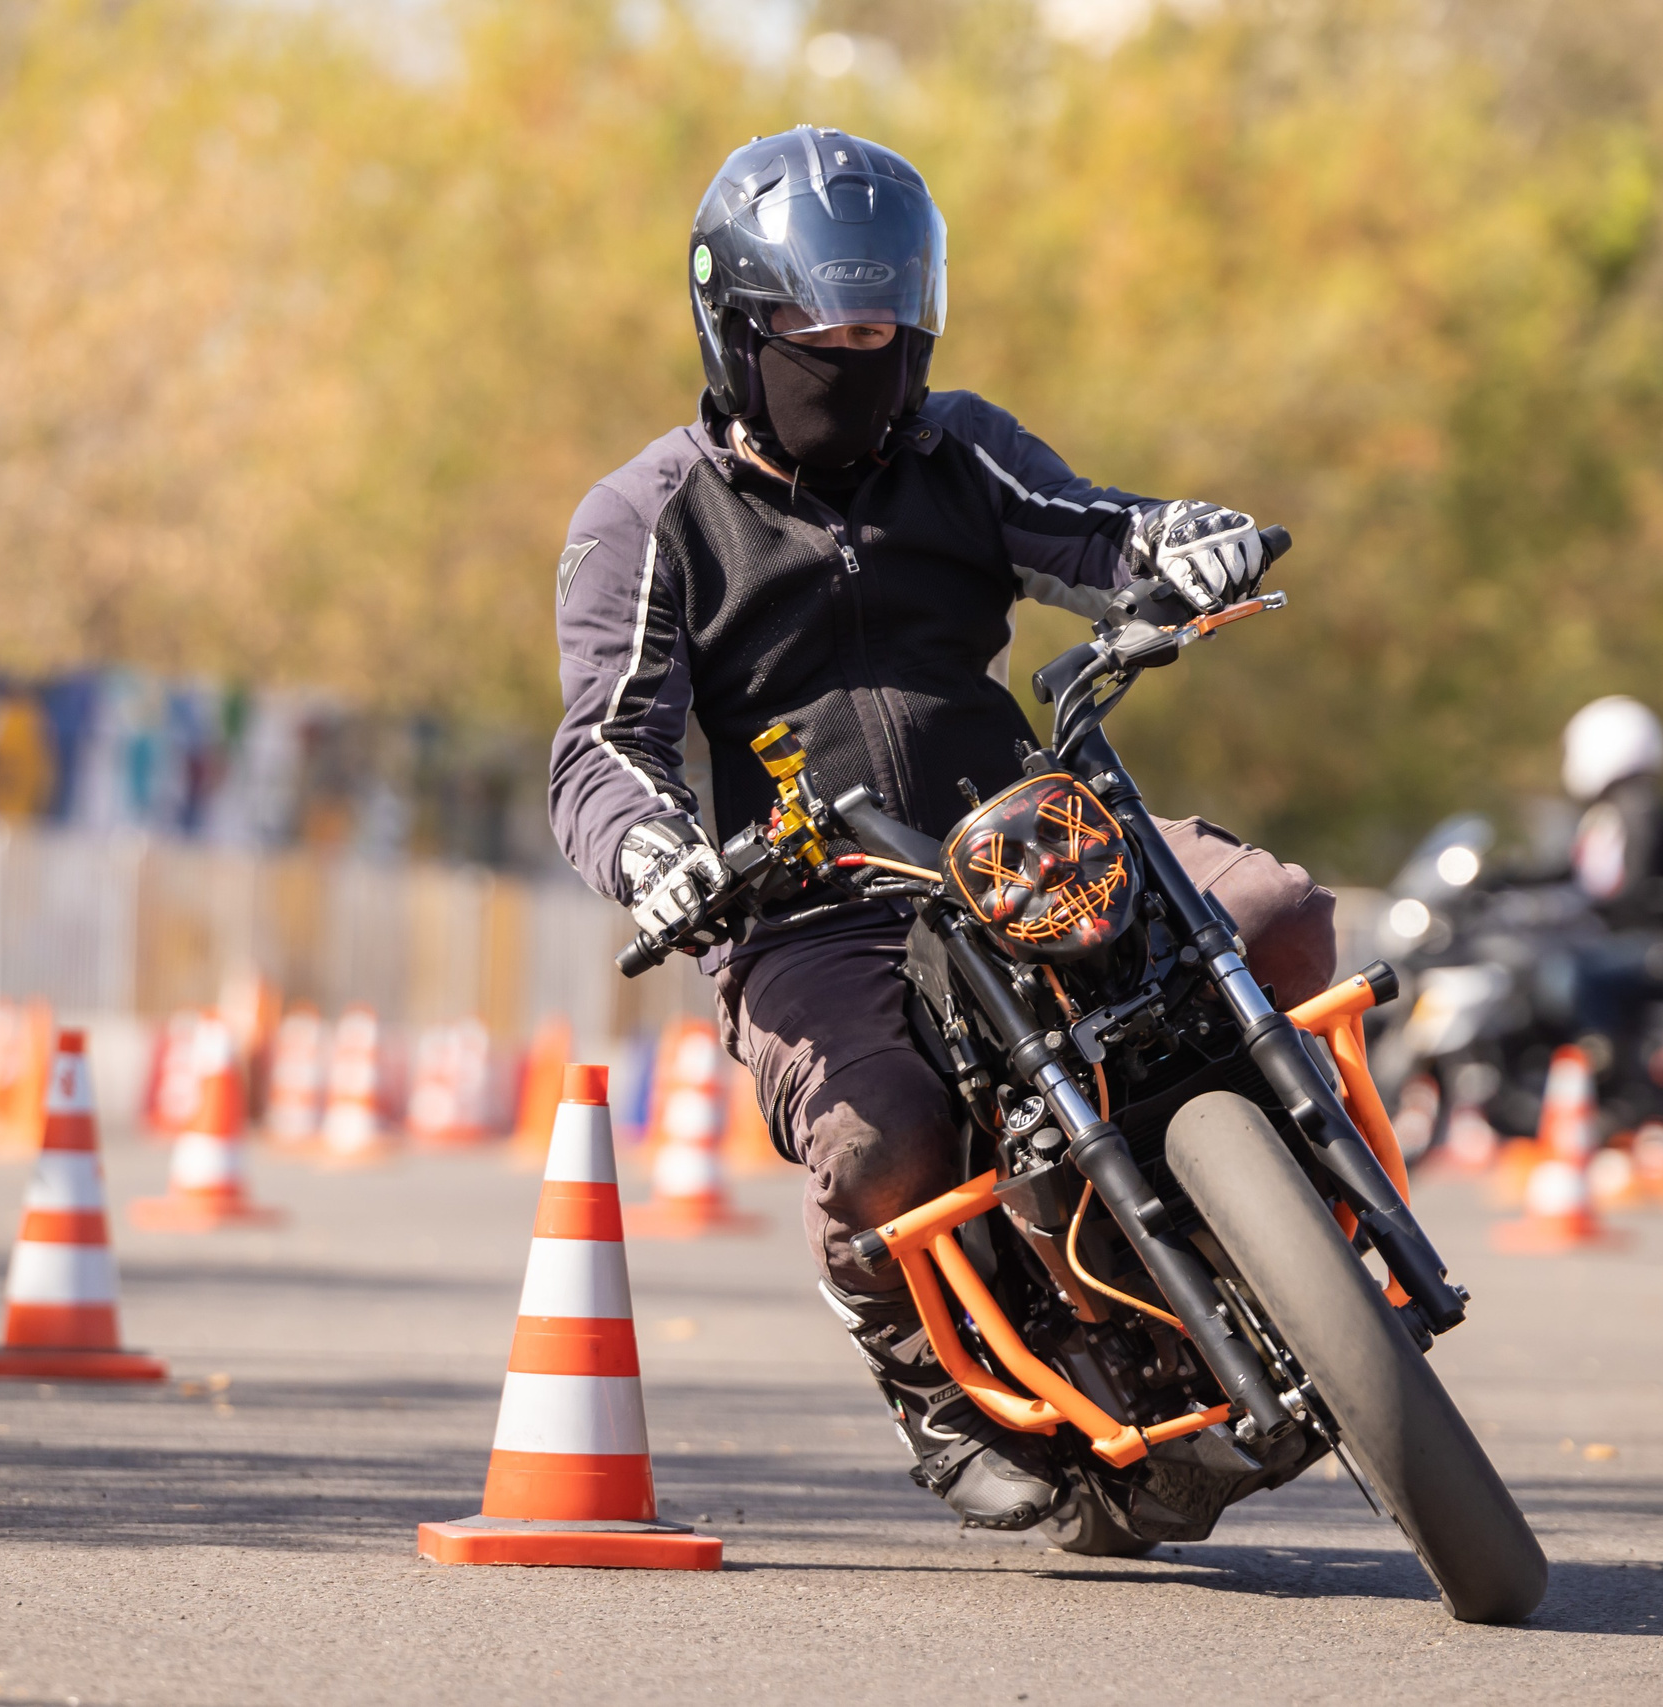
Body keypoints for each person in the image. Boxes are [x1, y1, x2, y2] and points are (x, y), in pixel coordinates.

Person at [546, 127, 1336, 1534]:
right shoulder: (648, 517)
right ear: (739, 325)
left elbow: (1097, 532)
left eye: (884, 319)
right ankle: (927, 1375)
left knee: (1277, 913)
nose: (861, 348)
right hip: (812, 897)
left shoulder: (959, 447)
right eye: (823, 324)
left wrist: (1182, 545)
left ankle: (1302, 1208)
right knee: (883, 1133)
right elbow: (604, 743)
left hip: (1025, 833)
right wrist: (657, 857)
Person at [1548, 695, 1663, 1045]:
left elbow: (1632, 882)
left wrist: (1578, 905)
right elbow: (1573, 873)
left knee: (1571, 973)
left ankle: (1599, 1060)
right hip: (1629, 940)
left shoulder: (1640, 807)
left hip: (1653, 946)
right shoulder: (1613, 809)